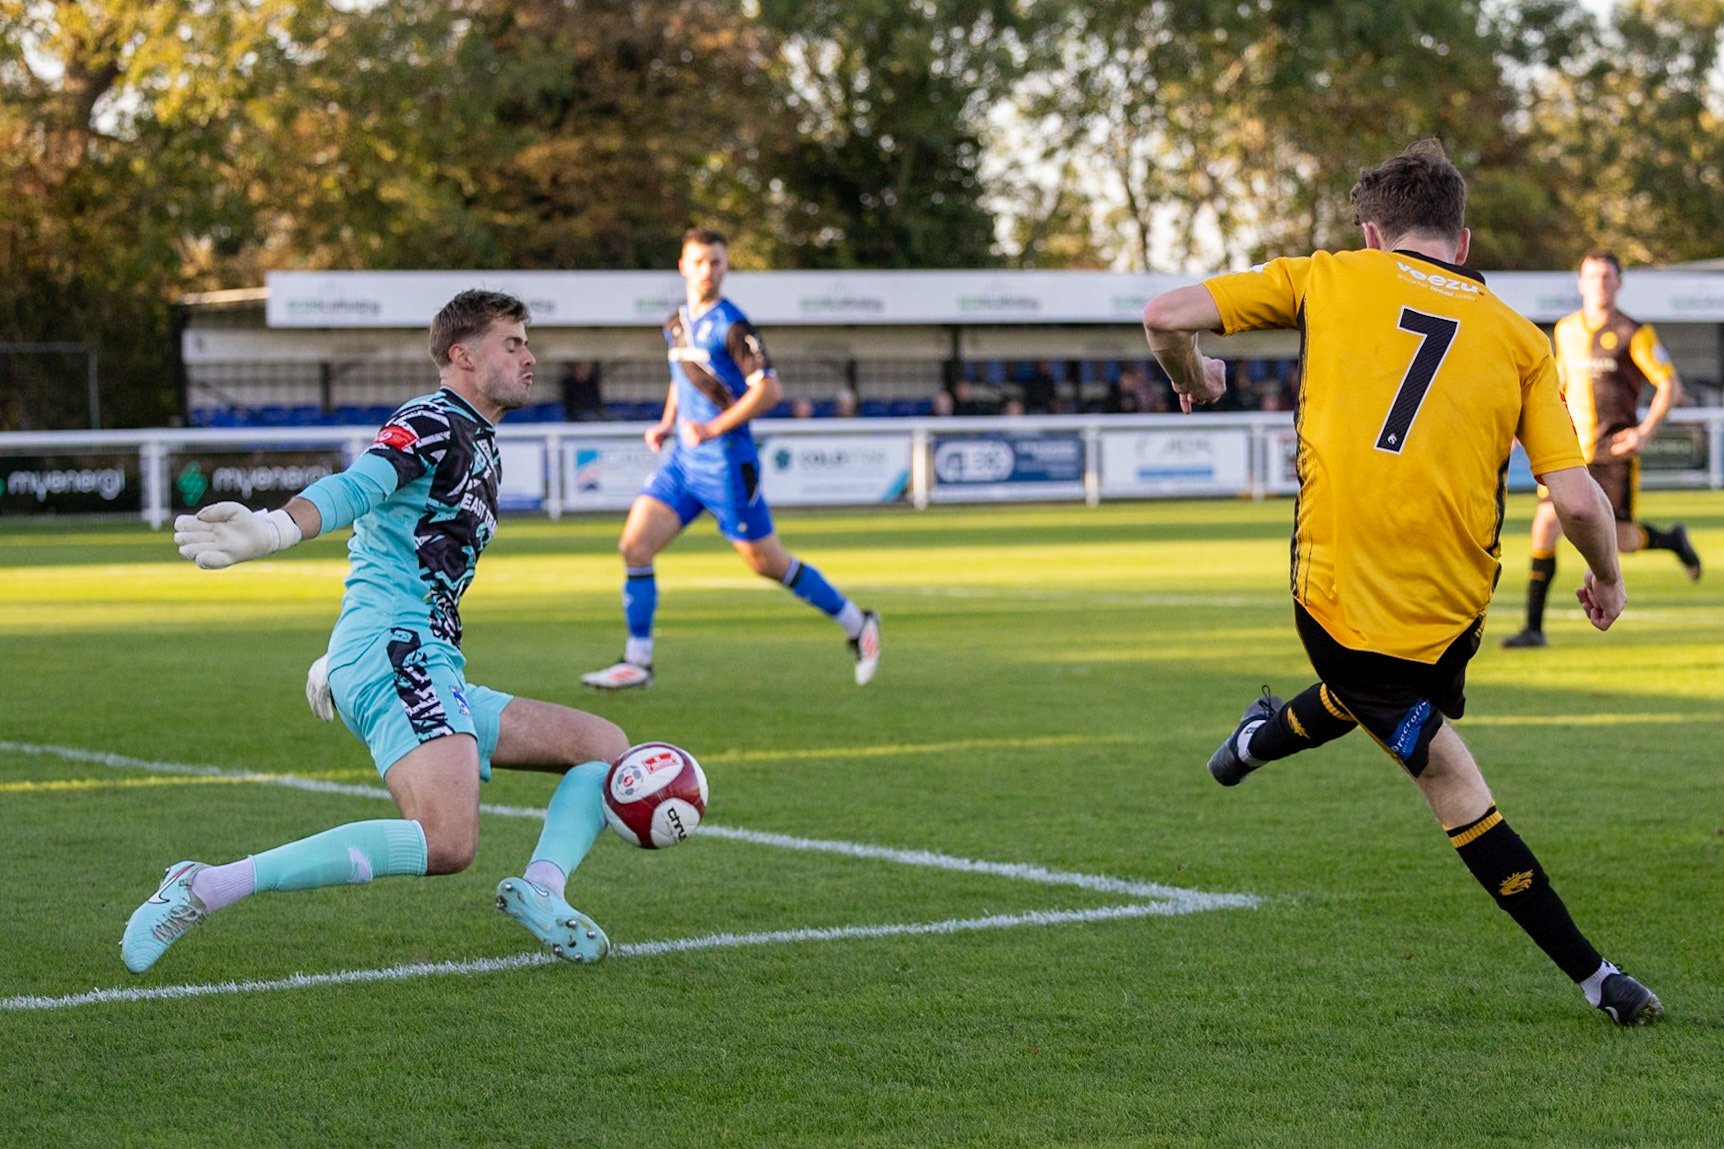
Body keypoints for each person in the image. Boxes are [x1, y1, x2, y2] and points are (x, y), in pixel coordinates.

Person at [1140, 139, 1662, 1026]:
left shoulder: (1330, 275)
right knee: (1449, 774)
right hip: (1428, 603)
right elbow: (1576, 499)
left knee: (1368, 696)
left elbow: (1164, 313)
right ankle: (1597, 976)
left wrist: (1198, 378)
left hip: (1356, 596)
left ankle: (1258, 740)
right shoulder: (1521, 339)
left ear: (1375, 232)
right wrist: (1607, 577)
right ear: (1462, 243)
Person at [124, 290, 634, 974]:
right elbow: (357, 486)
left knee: (602, 745)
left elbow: (390, 545)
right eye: (512, 342)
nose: (528, 355)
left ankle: (542, 890)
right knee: (446, 840)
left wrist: (339, 648)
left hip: (420, 654)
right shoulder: (431, 419)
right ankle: (203, 884)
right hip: (400, 649)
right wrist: (275, 528)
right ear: (463, 354)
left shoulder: (481, 441)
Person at [580, 228, 880, 691]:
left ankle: (857, 623)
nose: (708, 271)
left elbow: (769, 391)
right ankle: (638, 661)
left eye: (717, 262)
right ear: (683, 265)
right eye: (700, 262)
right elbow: (683, 379)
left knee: (767, 562)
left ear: (726, 267)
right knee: (635, 545)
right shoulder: (675, 323)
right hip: (683, 461)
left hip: (726, 462)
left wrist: (712, 429)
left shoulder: (734, 325)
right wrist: (667, 421)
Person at [1501, 249, 1701, 648]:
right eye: (1592, 276)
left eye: (1607, 276)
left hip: (1615, 452)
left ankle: (1672, 540)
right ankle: (1534, 629)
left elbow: (1669, 385)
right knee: (1545, 525)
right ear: (1580, 282)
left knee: (1621, 540)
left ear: (1619, 283)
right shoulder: (1565, 330)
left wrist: (1644, 432)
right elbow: (1554, 387)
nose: (1599, 283)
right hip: (1570, 450)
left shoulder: (1634, 332)